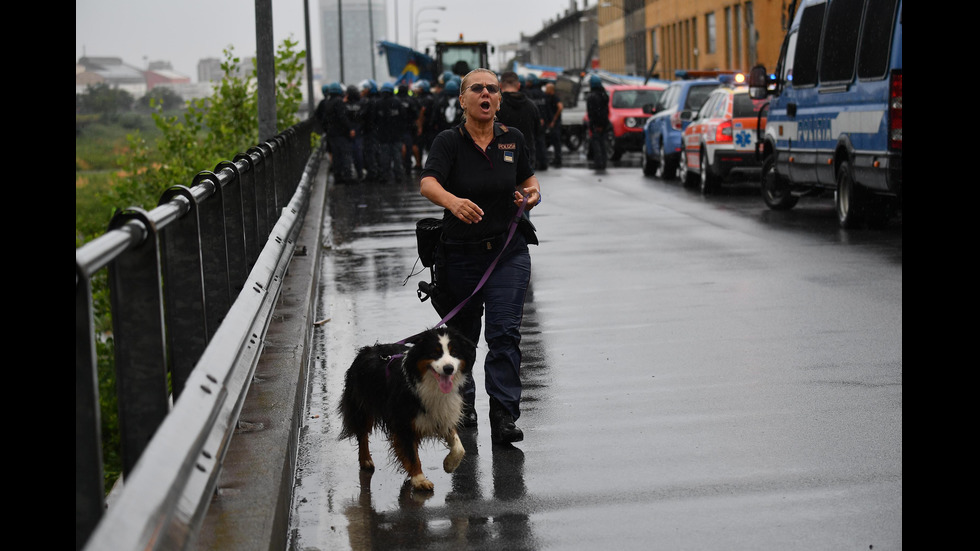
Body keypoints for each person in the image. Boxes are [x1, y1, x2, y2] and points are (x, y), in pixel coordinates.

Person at [419, 68, 542, 445]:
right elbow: (428, 182)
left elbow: (529, 181)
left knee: (504, 334)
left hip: (507, 254)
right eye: (478, 89)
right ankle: (464, 406)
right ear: (463, 99)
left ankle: (504, 415)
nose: (486, 94)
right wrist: (453, 202)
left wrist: (531, 195)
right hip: (459, 257)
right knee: (462, 340)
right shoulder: (448, 141)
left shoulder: (512, 139)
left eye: (492, 89)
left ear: (499, 100)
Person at [495, 71, 541, 171]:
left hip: (502, 155)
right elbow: (538, 133)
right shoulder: (532, 106)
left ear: (500, 85)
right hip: (526, 154)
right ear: (519, 85)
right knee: (526, 185)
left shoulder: (496, 107)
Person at [371, 82, 408, 183]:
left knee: (384, 157)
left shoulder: (377, 103)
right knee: (397, 157)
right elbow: (404, 118)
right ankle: (398, 176)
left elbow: (373, 120)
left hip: (383, 136)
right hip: (396, 135)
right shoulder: (398, 102)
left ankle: (384, 176)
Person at [323, 82, 356, 183]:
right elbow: (343, 117)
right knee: (345, 154)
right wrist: (350, 128)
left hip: (332, 133)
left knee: (336, 155)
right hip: (341, 133)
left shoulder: (328, 102)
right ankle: (348, 176)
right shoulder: (339, 102)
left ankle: (338, 176)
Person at [525, 74, 550, 171]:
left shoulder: (529, 94)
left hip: (534, 121)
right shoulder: (542, 94)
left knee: (533, 143)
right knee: (541, 142)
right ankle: (544, 162)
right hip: (542, 121)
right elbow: (547, 108)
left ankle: (536, 163)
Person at [586, 74, 611, 171]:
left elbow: (594, 112)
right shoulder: (603, 95)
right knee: (603, 144)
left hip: (597, 124)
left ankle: (599, 163)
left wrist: (596, 124)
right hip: (603, 123)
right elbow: (604, 111)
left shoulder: (592, 96)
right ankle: (603, 162)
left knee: (597, 144)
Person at [544, 82, 564, 168]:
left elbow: (560, 107)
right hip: (551, 123)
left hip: (555, 123)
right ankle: (556, 159)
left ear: (551, 89)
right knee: (553, 141)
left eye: (547, 88)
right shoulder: (548, 97)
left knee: (556, 142)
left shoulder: (555, 97)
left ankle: (558, 159)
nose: (545, 90)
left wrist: (554, 119)